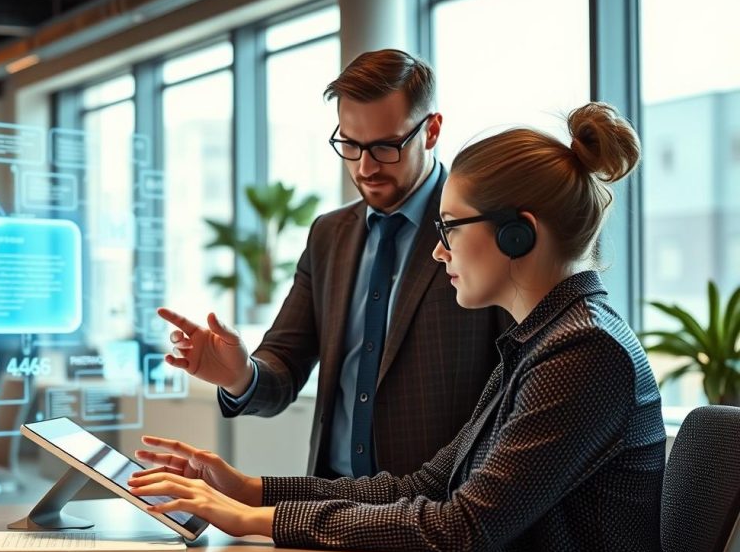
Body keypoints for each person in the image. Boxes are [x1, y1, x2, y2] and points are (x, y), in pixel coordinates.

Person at [130, 102, 665, 552]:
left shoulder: (584, 352)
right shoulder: (541, 343)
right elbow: (425, 486)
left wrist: (253, 520)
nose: (439, 249)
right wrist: (249, 490)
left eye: (451, 227)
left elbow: (461, 527)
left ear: (517, 234)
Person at [157, 49, 510, 479]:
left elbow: (512, 389)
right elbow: (284, 365)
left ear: (431, 130)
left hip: (438, 514)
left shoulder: (478, 227)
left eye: (385, 146)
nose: (365, 167)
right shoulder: (329, 234)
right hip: (330, 502)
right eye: (350, 144)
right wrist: (241, 375)